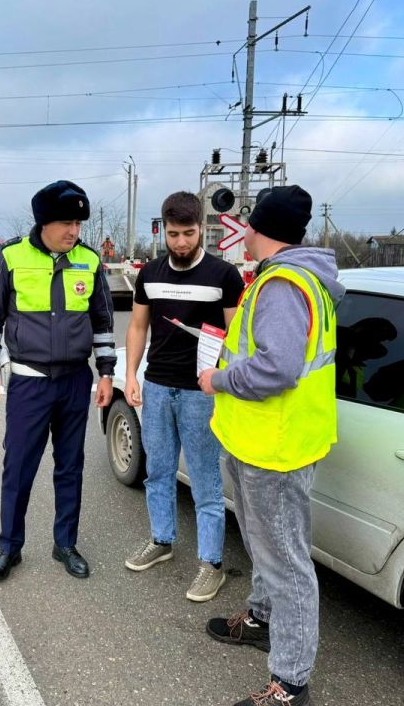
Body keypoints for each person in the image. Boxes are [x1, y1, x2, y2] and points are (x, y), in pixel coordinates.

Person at [198, 185, 344, 706]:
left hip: (274, 448)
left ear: (258, 229)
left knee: (287, 564)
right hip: (261, 440)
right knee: (267, 547)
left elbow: (277, 369)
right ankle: (261, 618)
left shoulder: (284, 285)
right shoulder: (290, 280)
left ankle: (291, 683)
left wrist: (217, 381)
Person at [0, 180, 115, 582]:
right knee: (18, 467)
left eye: (78, 223)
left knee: (70, 466)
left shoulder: (89, 261)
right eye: (67, 223)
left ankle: (65, 544)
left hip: (74, 382)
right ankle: (9, 548)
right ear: (44, 222)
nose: (74, 231)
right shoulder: (11, 257)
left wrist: (106, 372)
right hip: (29, 383)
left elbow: (103, 320)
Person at [123, 191, 244, 602]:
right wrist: (130, 375)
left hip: (201, 394)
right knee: (157, 470)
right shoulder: (150, 274)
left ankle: (211, 565)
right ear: (163, 230)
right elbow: (138, 327)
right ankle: (162, 540)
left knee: (206, 481)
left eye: (188, 233)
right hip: (156, 386)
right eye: (173, 234)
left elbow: (237, 340)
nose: (180, 243)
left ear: (201, 229)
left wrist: (226, 381)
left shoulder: (224, 276)